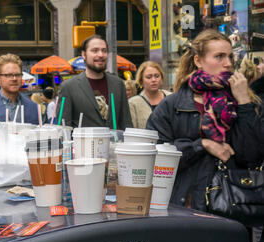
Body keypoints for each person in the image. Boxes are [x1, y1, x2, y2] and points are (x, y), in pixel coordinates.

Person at [146, 29, 264, 212]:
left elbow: (254, 155)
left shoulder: (245, 100)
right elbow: (155, 156)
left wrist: (243, 102)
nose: (227, 63)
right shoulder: (173, 105)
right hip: (185, 205)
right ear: (198, 61)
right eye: (219, 56)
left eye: (230, 57)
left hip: (232, 206)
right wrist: (203, 145)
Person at [57, 35, 132, 129]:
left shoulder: (118, 84)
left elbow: (126, 123)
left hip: (114, 143)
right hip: (83, 143)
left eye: (104, 51)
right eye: (95, 50)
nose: (100, 55)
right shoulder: (68, 87)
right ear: (84, 55)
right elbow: (63, 128)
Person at [128, 61, 172, 129]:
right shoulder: (133, 103)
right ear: (141, 80)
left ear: (161, 78)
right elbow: (133, 132)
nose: (154, 80)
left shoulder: (171, 98)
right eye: (149, 77)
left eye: (157, 76)